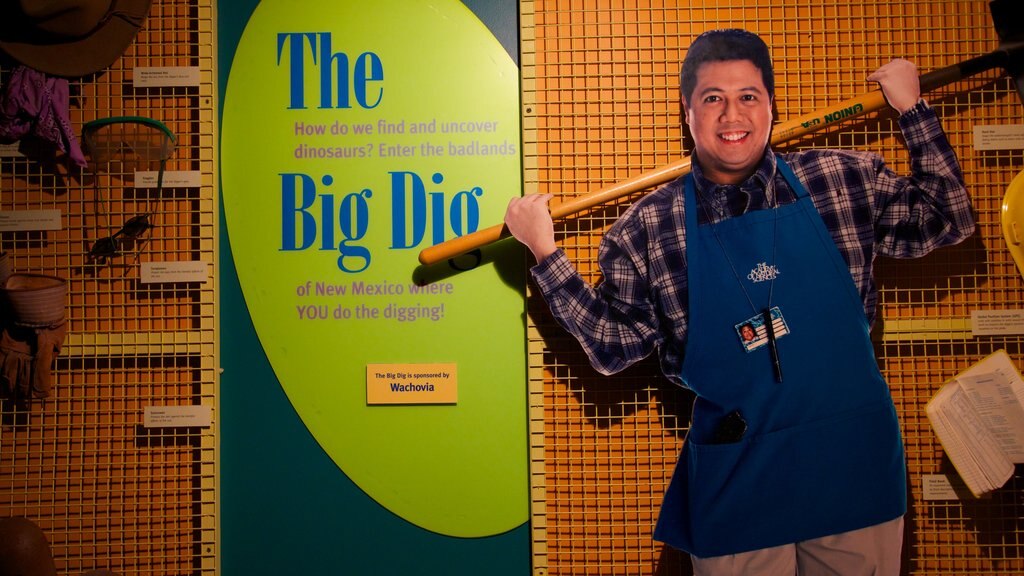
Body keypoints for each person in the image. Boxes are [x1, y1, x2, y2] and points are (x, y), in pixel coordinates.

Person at [504, 29, 974, 575]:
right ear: (689, 112)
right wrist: (544, 251)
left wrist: (912, 109)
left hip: (851, 468)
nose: (733, 114)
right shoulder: (650, 229)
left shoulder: (842, 181)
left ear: (771, 105)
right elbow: (613, 347)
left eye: (748, 96)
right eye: (713, 98)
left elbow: (949, 218)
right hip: (736, 476)